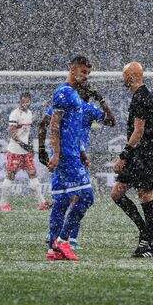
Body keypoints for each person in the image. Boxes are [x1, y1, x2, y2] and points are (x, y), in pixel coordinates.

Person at [38, 82, 115, 248]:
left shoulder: (66, 102)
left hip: (66, 152)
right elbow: (111, 121)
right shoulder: (86, 107)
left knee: (64, 197)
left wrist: (43, 148)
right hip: (73, 155)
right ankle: (68, 238)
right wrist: (100, 99)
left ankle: (55, 235)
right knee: (80, 196)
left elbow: (44, 123)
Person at [45, 55, 95, 261]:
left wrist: (81, 151)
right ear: (73, 70)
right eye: (83, 72)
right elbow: (54, 125)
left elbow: (69, 126)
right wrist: (56, 154)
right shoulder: (64, 93)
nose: (86, 77)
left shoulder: (72, 94)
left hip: (73, 153)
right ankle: (62, 241)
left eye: (88, 73)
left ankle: (52, 249)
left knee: (63, 201)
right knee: (87, 197)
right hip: (66, 156)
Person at [111, 61, 153, 258]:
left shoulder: (141, 98)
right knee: (117, 194)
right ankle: (145, 233)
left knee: (145, 196)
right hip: (142, 152)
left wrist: (124, 156)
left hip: (143, 153)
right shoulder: (144, 96)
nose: (122, 77)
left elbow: (138, 131)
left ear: (131, 76)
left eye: (124, 74)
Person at [0, 92, 47, 211]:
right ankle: (3, 205)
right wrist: (23, 145)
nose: (25, 103)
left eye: (27, 101)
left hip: (26, 152)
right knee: (10, 176)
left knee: (33, 174)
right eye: (23, 101)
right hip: (15, 151)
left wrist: (29, 146)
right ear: (20, 101)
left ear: (30, 101)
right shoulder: (15, 114)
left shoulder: (29, 113)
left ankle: (42, 203)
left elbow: (27, 132)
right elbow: (12, 132)